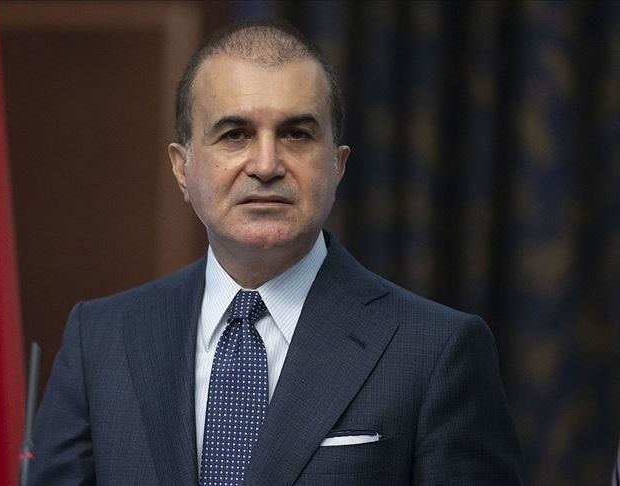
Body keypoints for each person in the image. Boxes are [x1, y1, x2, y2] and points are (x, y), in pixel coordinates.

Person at [29, 19, 522, 485]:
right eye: (235, 134)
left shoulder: (437, 350)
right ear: (182, 168)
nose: (266, 165)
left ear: (337, 165)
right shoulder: (100, 341)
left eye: (296, 134)